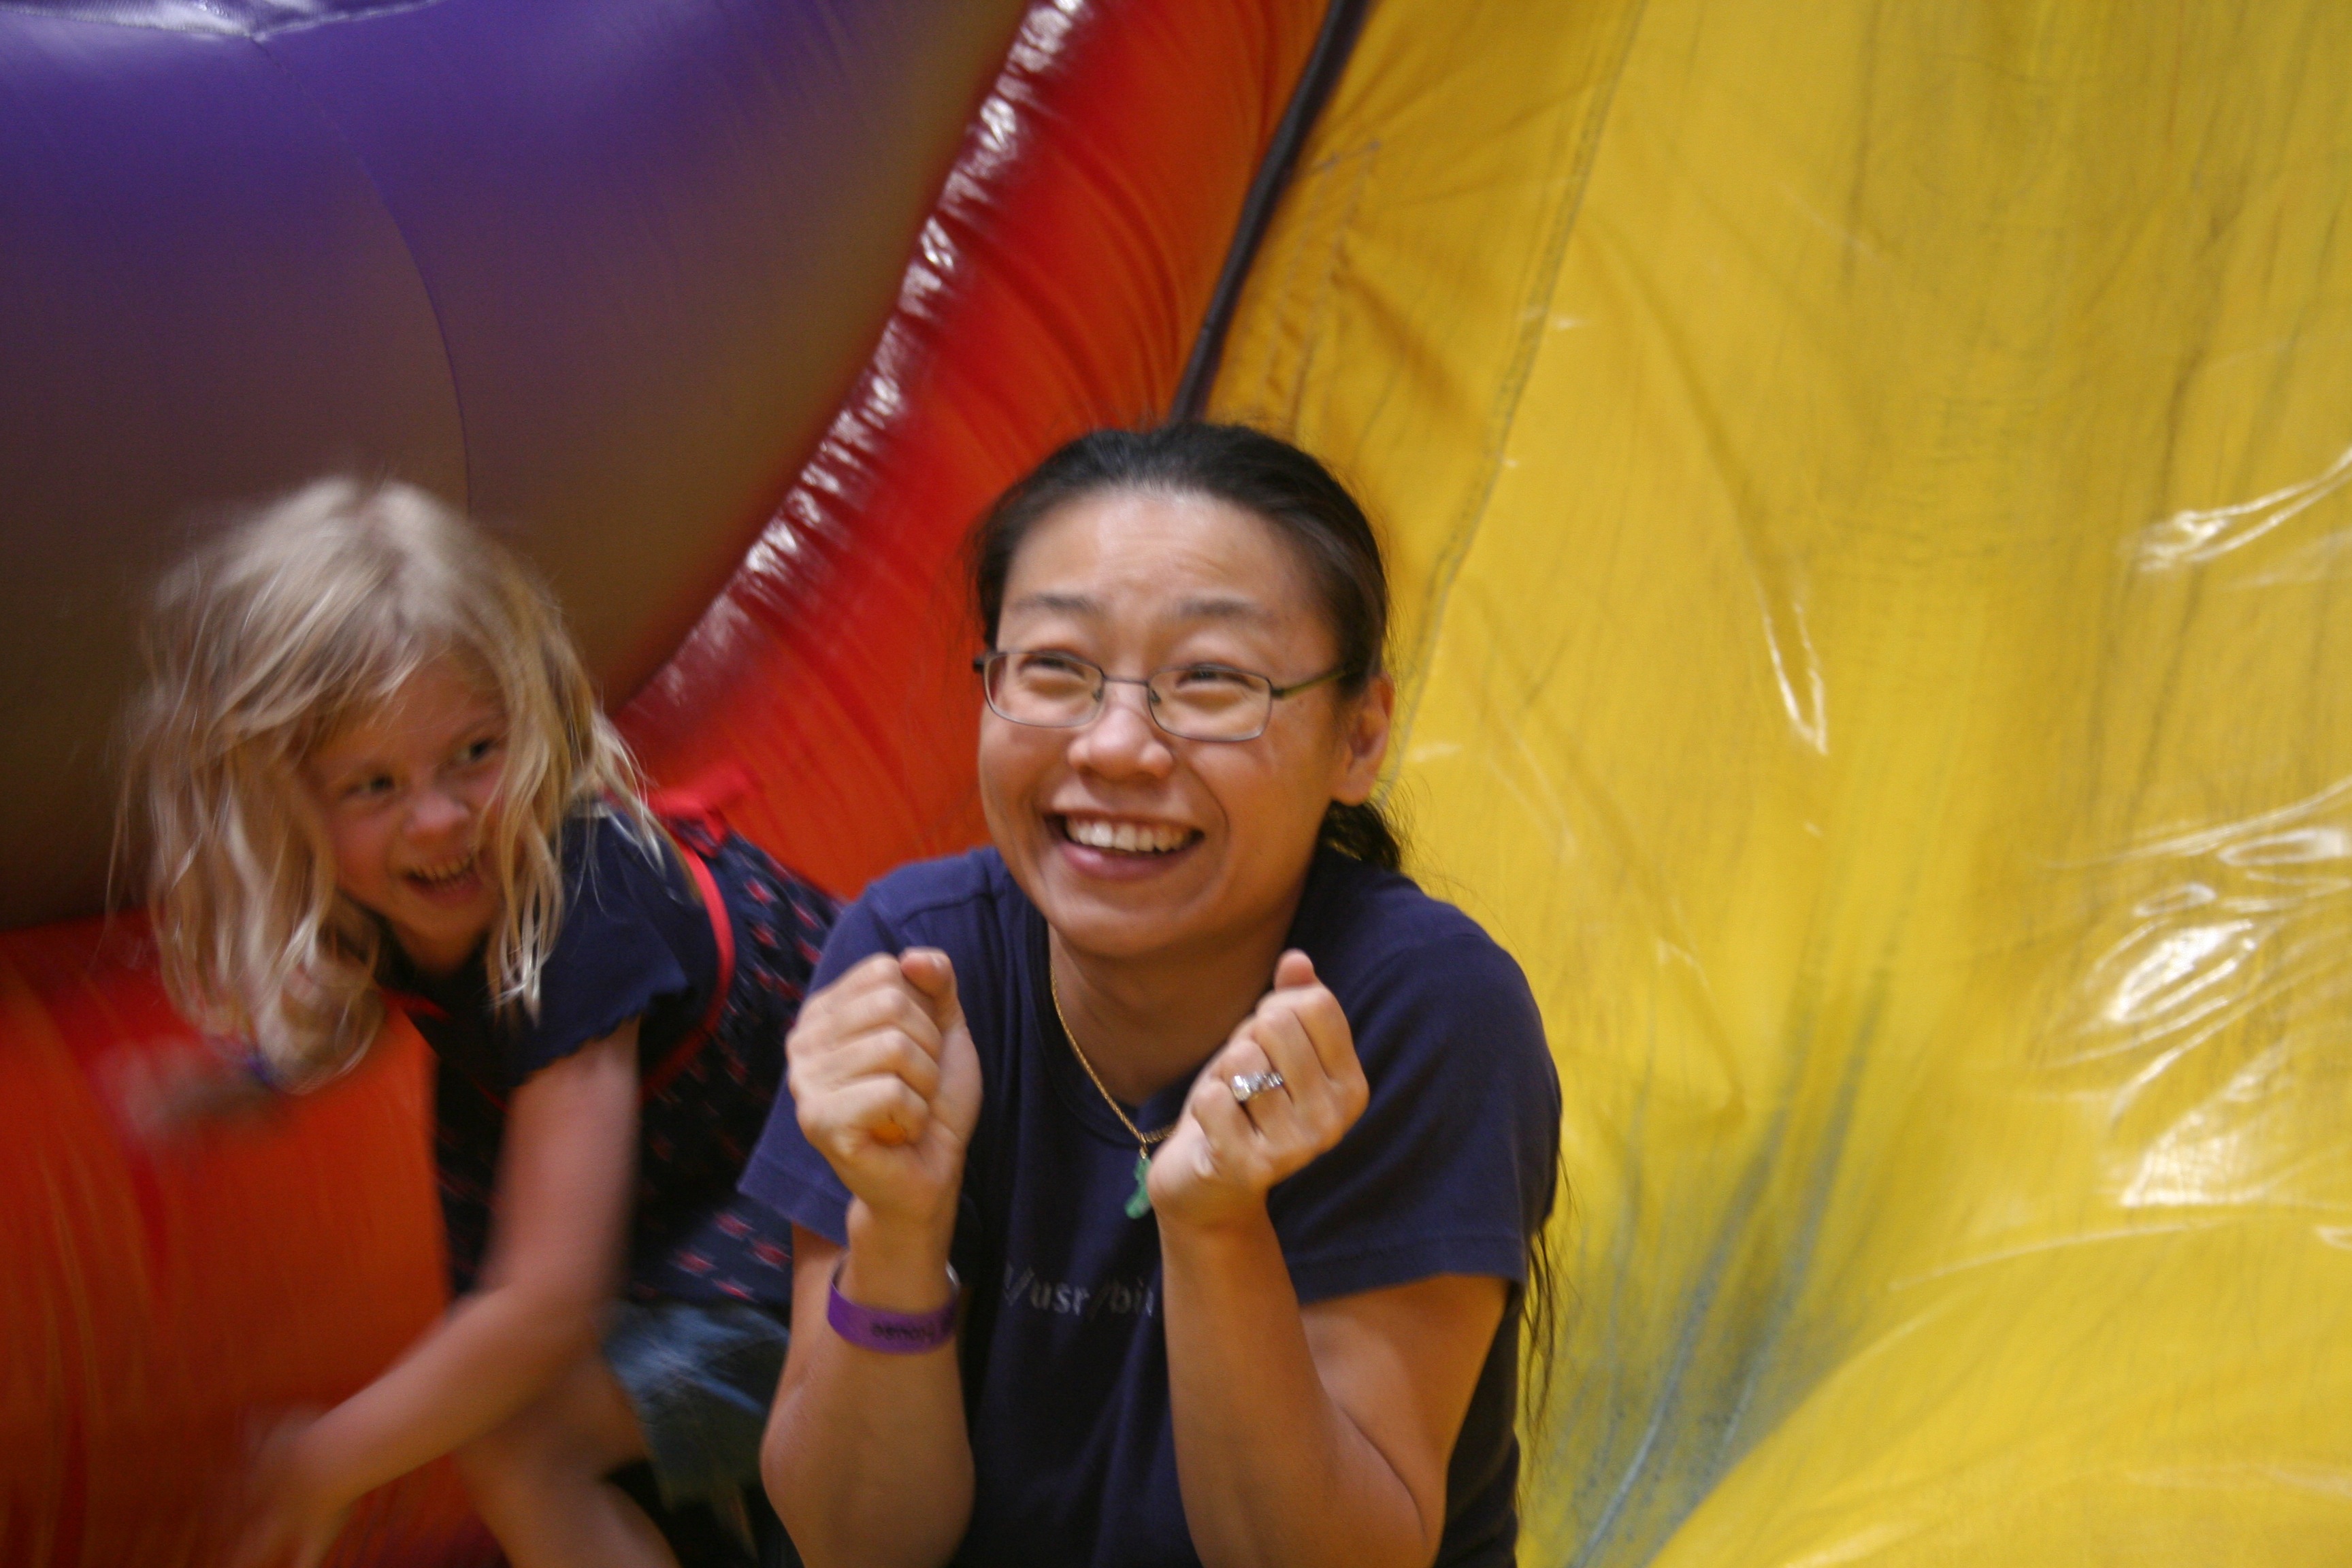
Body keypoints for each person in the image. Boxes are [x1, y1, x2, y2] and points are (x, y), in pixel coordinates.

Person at [746, 423, 1561, 1568]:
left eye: (1211, 681)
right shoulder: (916, 962)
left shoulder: (1421, 1009)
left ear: (1359, 738)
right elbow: (855, 1545)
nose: (1117, 746)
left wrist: (1217, 1230)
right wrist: (897, 1226)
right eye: (1054, 669)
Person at [118, 479, 833, 1567]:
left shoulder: (587, 910)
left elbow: (547, 1304)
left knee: (520, 1441)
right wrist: (253, 1081)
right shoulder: (421, 896)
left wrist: (328, 1461)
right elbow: (383, 988)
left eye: (475, 752)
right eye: (373, 784)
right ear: (288, 803)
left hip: (860, 1241)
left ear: (532, 717)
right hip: (722, 1205)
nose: (440, 817)